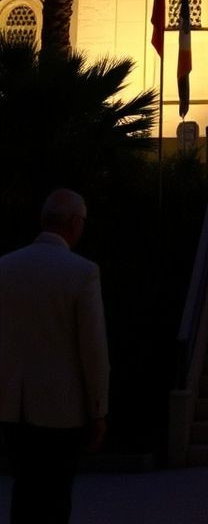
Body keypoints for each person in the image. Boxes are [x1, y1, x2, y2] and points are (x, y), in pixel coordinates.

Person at [0, 188, 110, 523]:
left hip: (13, 407)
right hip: (62, 410)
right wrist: (98, 410)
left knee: (24, 492)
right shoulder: (82, 272)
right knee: (56, 496)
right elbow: (93, 349)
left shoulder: (6, 267)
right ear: (75, 223)